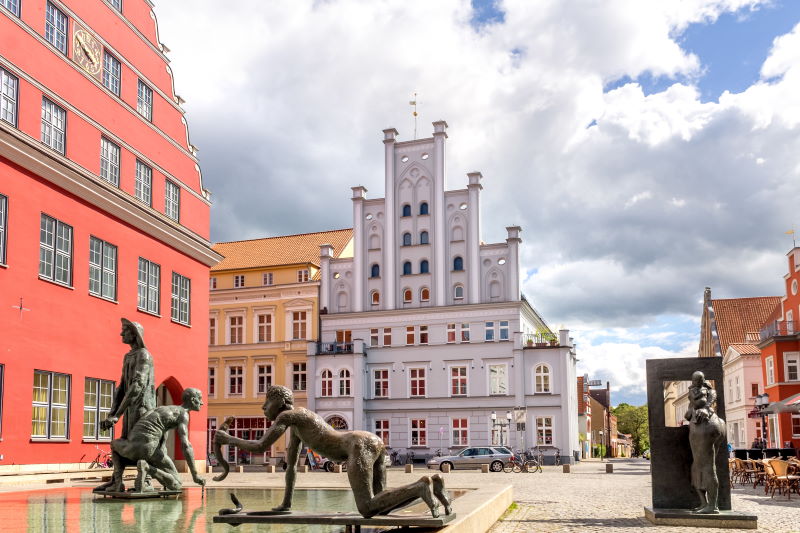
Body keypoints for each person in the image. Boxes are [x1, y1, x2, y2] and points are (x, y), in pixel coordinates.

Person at [214, 385, 450, 518]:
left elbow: (260, 446)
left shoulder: (289, 415)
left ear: (281, 403)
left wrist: (228, 439)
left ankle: (420, 486)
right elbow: (291, 470)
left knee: (366, 508)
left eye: (267, 402)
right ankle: (431, 483)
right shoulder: (297, 425)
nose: (263, 407)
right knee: (380, 504)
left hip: (357, 445)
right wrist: (285, 504)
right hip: (369, 441)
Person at [101, 388, 206, 493]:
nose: (202, 403)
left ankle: (118, 483)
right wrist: (195, 475)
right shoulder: (183, 415)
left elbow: (162, 434)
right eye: (200, 399)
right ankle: (147, 468)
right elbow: (186, 445)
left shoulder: (163, 408)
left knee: (114, 444)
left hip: (130, 446)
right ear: (193, 400)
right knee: (176, 484)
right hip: (148, 449)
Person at [94, 318, 156, 492]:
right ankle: (117, 481)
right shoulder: (128, 356)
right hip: (130, 408)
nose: (121, 334)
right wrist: (113, 413)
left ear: (134, 334)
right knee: (122, 443)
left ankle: (146, 480)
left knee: (140, 444)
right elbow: (122, 387)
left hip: (142, 408)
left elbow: (138, 385)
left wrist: (117, 414)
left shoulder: (144, 355)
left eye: (125, 330)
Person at [685, 371, 726, 514]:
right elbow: (691, 406)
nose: (695, 383)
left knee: (708, 467)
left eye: (698, 380)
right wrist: (690, 411)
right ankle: (704, 503)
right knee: (696, 467)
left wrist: (706, 408)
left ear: (702, 380)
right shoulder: (691, 390)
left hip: (706, 425)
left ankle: (713, 506)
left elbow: (711, 401)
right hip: (696, 427)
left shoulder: (709, 390)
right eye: (694, 380)